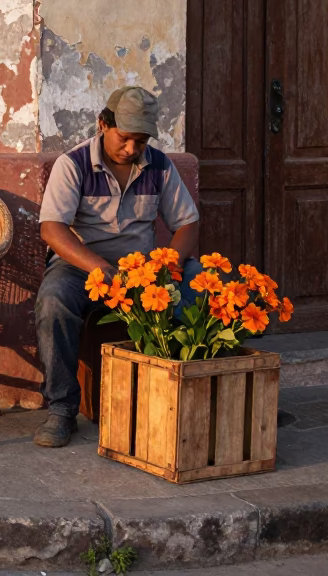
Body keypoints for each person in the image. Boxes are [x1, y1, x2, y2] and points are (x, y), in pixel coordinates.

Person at [33, 86, 201, 448]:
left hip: (143, 271)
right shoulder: (73, 164)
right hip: (81, 268)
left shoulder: (159, 165)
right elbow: (52, 229)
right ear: (103, 124)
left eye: (140, 141)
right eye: (125, 139)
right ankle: (62, 408)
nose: (131, 149)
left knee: (199, 280)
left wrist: (170, 266)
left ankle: (199, 390)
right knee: (53, 301)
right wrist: (100, 268)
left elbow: (187, 223)